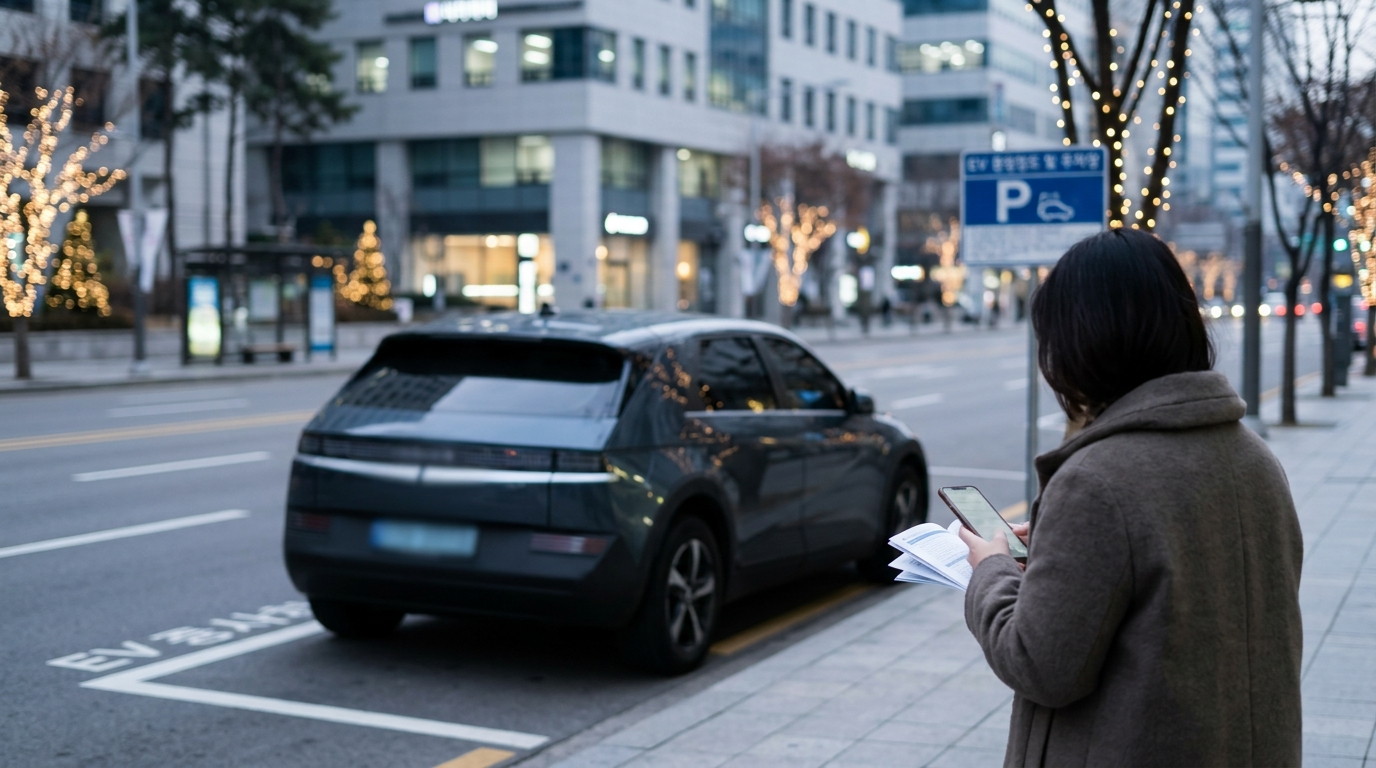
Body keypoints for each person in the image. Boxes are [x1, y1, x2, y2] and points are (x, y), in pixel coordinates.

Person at [958, 229, 1303, 767]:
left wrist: (994, 569)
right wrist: (1059, 555)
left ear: (1083, 345)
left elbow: (1038, 663)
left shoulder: (1097, 482)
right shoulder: (1255, 458)